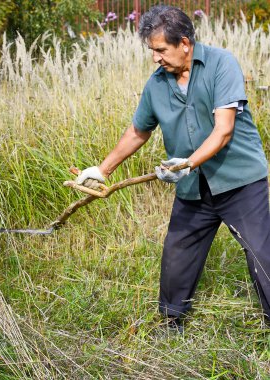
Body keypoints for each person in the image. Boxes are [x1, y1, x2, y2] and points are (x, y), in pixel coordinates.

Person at [76, 5, 270, 330]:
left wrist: (188, 163)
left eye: (160, 50)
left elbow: (223, 131)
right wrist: (103, 169)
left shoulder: (221, 65)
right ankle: (171, 324)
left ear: (184, 43)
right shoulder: (157, 85)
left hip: (239, 182)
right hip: (193, 186)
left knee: (262, 256)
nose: (155, 58)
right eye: (152, 51)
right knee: (177, 255)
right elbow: (138, 131)